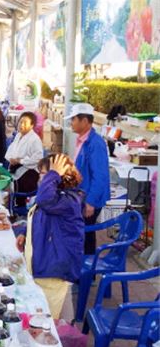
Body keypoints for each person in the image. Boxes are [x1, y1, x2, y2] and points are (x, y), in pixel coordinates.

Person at [16, 154, 84, 319]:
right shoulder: (55, 196)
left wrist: (53, 174)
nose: (40, 178)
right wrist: (25, 233)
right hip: (46, 262)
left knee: (48, 316)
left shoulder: (69, 199)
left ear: (59, 176)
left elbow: (45, 201)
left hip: (54, 268)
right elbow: (40, 217)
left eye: (44, 173)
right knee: (49, 308)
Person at [65, 103, 110, 255]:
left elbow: (100, 176)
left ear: (84, 121)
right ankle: (85, 271)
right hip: (82, 195)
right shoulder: (82, 139)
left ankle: (85, 272)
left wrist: (90, 202)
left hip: (89, 198)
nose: (71, 123)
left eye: (73, 119)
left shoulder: (95, 143)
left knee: (85, 234)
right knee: (84, 234)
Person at [5, 112, 44, 206]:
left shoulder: (35, 139)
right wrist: (11, 159)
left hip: (29, 172)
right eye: (20, 122)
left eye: (25, 123)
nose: (21, 125)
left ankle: (18, 208)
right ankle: (12, 207)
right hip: (16, 167)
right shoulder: (18, 135)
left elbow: (38, 159)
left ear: (32, 125)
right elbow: (11, 149)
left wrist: (20, 161)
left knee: (17, 186)